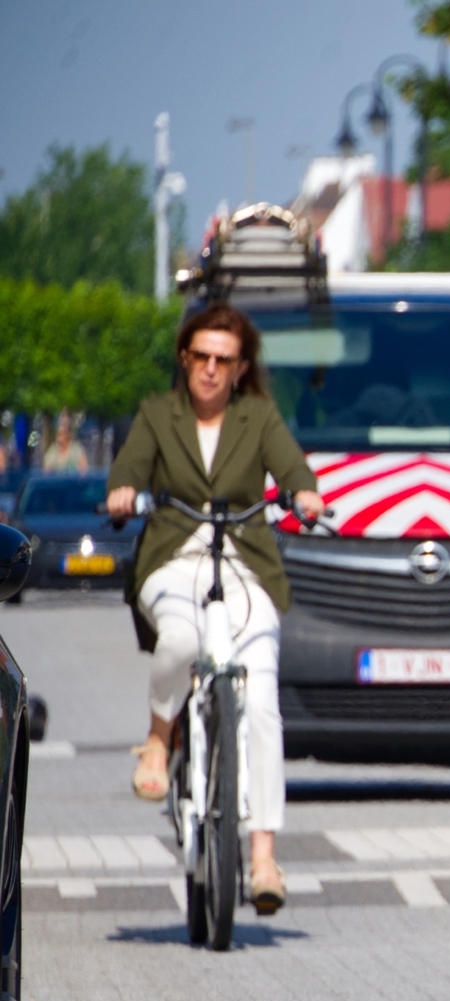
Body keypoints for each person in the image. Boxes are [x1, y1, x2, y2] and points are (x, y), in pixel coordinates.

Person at [106, 304, 324, 917]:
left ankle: (262, 856)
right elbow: (127, 469)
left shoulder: (259, 416)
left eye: (222, 360)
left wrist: (304, 491)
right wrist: (122, 491)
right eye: (199, 356)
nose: (208, 369)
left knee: (260, 702)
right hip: (175, 561)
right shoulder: (157, 414)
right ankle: (157, 738)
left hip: (245, 564)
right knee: (176, 639)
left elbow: (290, 463)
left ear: (240, 367)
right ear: (185, 359)